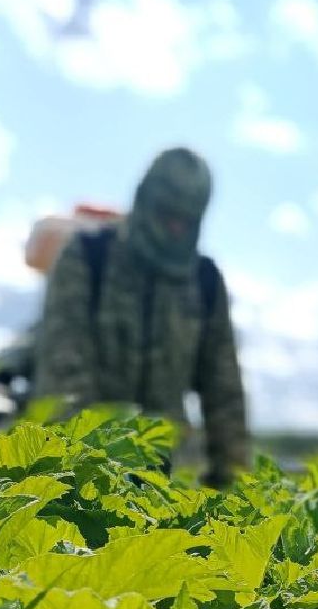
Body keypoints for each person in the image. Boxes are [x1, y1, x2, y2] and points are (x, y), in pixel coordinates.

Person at [31, 147, 249, 487]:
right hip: (80, 469)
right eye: (167, 215)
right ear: (146, 199)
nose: (176, 228)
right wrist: (88, 474)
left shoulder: (204, 280)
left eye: (186, 221)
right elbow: (64, 371)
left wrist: (235, 492)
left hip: (163, 474)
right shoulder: (89, 255)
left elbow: (224, 395)